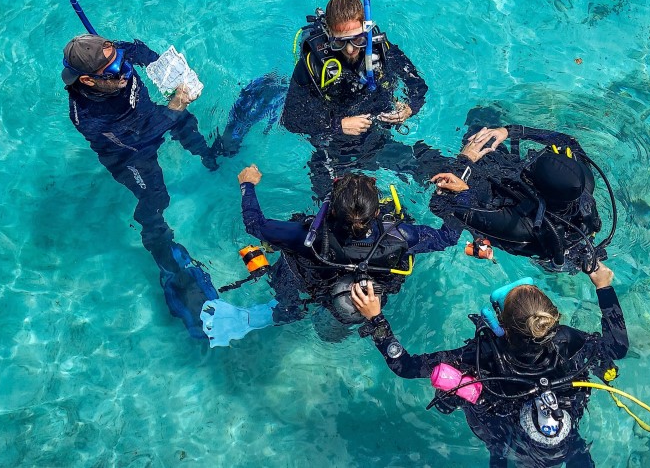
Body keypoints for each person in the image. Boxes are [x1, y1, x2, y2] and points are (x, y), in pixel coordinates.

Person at [352, 263, 628, 467]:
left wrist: (376, 320)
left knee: (496, 443)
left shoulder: (481, 354)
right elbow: (617, 346)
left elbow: (406, 367)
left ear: (502, 327)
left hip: (504, 431)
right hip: (562, 428)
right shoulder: (567, 339)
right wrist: (603, 287)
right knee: (573, 444)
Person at [62, 33, 220, 338]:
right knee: (156, 199)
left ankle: (209, 157)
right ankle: (166, 260)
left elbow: (137, 50)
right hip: (129, 152)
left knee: (187, 125)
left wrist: (164, 69)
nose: (123, 70)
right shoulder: (88, 116)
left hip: (148, 116)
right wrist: (173, 107)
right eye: (112, 71)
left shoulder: (112, 55)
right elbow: (138, 144)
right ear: (89, 80)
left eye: (121, 61)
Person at [218, 0, 429, 198]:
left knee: (426, 170)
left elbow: (417, 86)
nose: (350, 50)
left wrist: (409, 108)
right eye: (340, 42)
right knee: (332, 206)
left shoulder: (381, 48)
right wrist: (338, 125)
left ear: (366, 29)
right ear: (329, 34)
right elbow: (292, 119)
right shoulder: (312, 65)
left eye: (357, 40)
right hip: (332, 144)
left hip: (376, 132)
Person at [235, 165, 460, 335]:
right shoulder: (402, 236)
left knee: (287, 264)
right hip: (368, 296)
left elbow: (254, 224)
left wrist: (247, 184)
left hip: (320, 284)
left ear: (331, 211)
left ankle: (286, 311)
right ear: (377, 213)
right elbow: (449, 237)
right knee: (333, 330)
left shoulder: (307, 236)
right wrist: (462, 193)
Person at [418, 110, 611, 274]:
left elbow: (442, 205)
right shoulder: (583, 182)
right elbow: (566, 141)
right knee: (481, 121)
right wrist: (509, 131)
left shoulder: (518, 225)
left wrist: (465, 160)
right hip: (509, 180)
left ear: (534, 183)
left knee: (418, 159)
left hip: (488, 203)